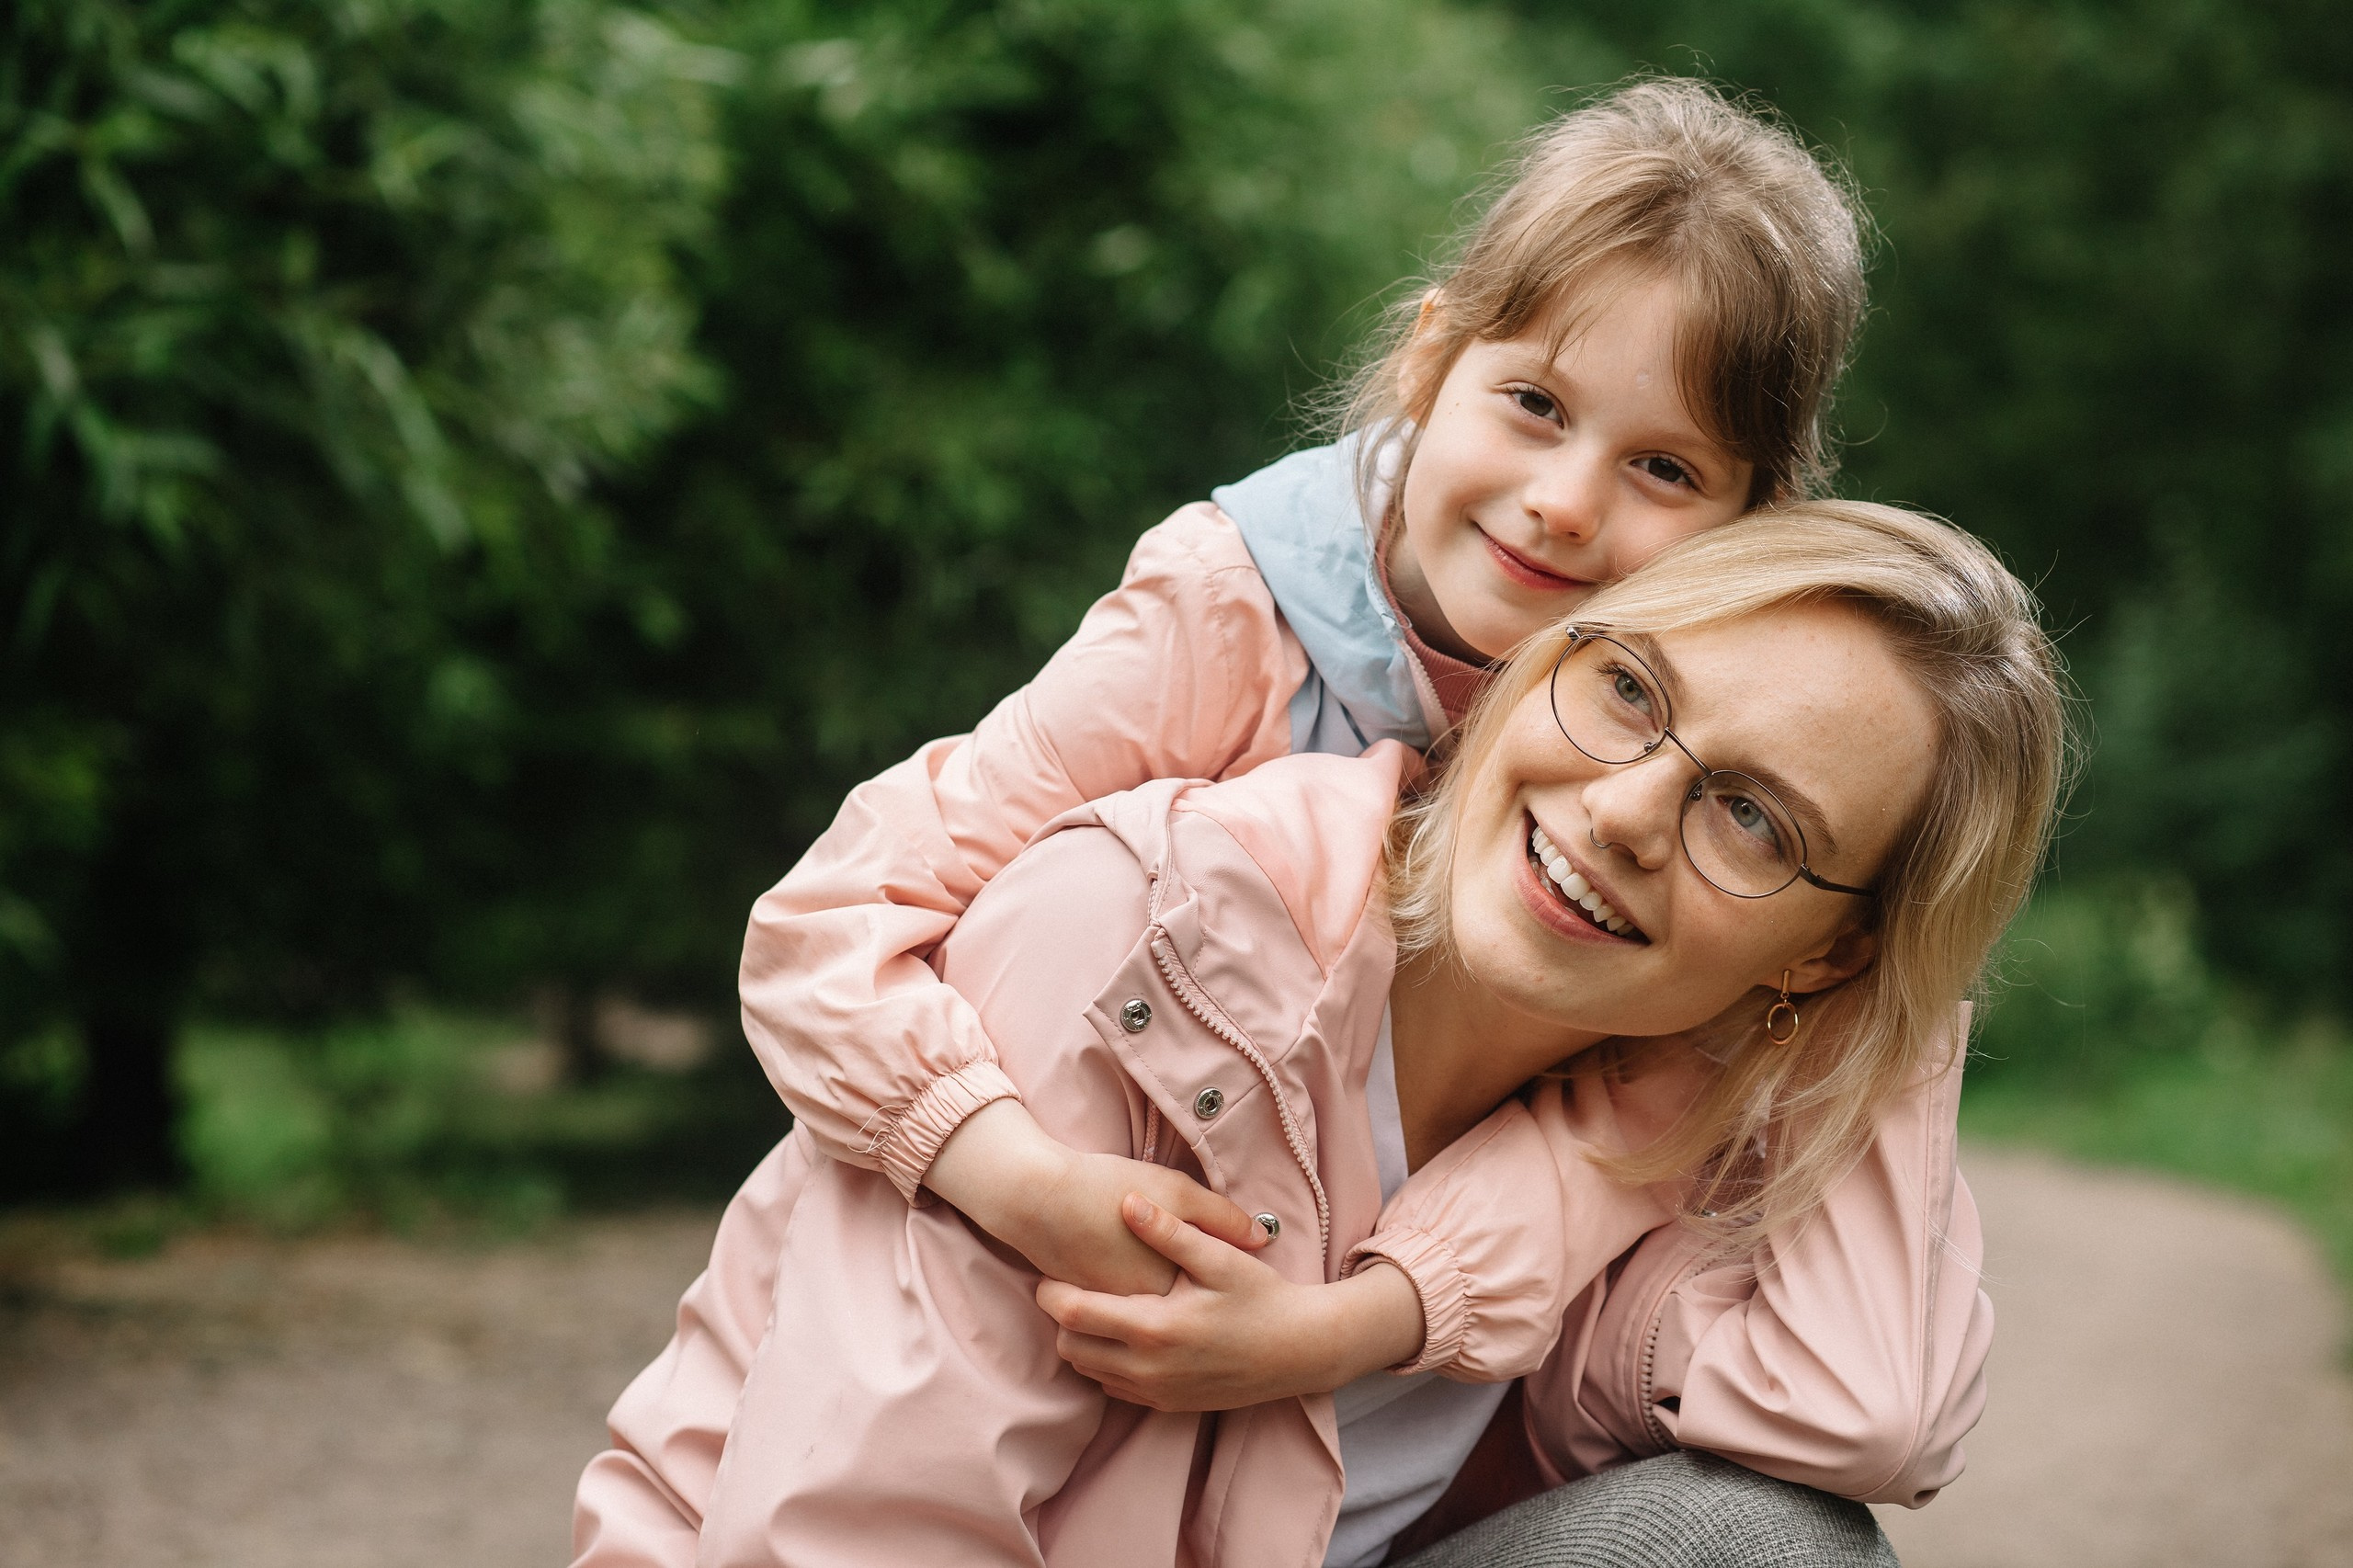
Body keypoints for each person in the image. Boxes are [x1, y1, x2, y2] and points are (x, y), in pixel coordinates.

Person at [574, 79, 1903, 1563]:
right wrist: (1019, 1177)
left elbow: (1634, 1154)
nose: (1566, 507)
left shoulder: (1655, 804)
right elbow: (831, 920)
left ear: (1750, 529)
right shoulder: (1229, 622)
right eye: (1534, 405)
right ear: (1430, 359)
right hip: (984, 1309)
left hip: (1286, 1455)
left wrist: (1893, 913)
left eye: (1664, 469)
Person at [574, 502, 2069, 1566]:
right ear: (1547, 653)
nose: (1623, 812)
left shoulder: (1633, 1162)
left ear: (1830, 949)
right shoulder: (1148, 938)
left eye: (1750, 815)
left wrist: (1897, 994)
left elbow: (1860, 1410)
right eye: (1629, 688)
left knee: (1767, 1548)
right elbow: (850, 1532)